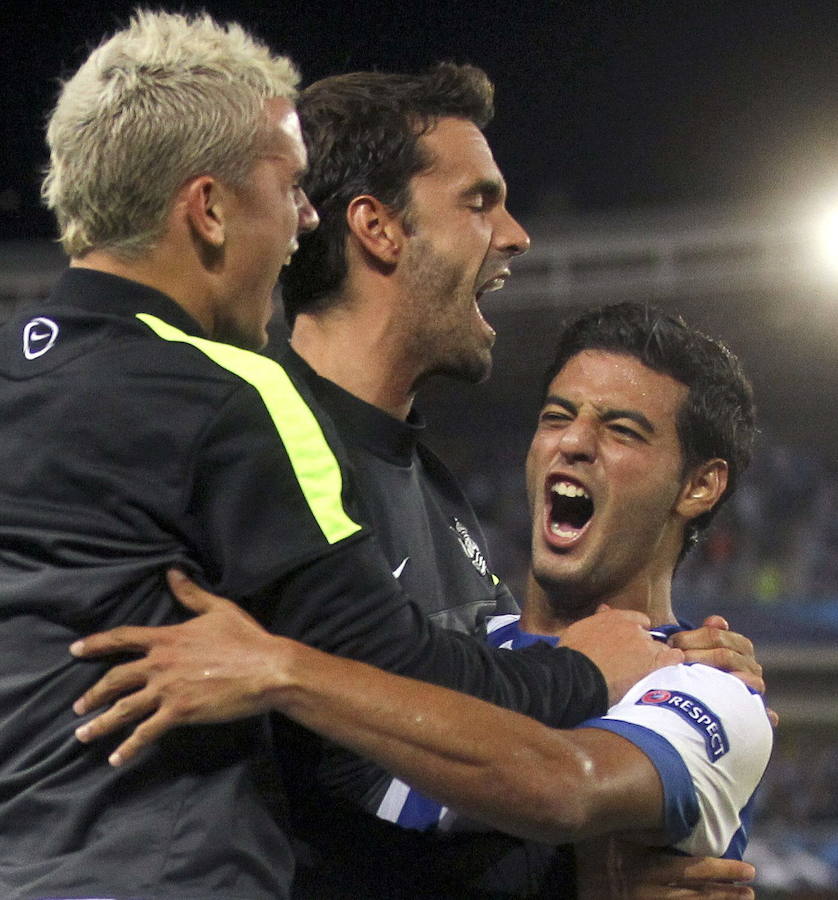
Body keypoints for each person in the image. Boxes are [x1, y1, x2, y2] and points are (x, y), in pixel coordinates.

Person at [0, 14, 677, 900]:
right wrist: (597, 667)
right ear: (207, 209)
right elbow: (399, 689)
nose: (303, 219)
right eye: (289, 187)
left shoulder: (17, 374)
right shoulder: (232, 396)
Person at [72, 299, 771, 897]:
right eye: (557, 416)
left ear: (698, 486)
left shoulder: (711, 690)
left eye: (622, 430)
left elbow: (563, 787)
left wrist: (279, 670)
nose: (573, 443)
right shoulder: (448, 647)